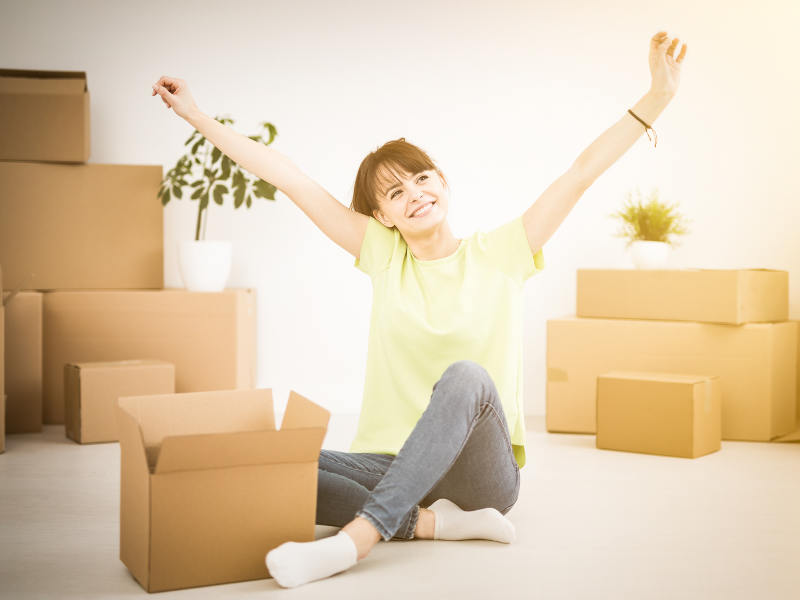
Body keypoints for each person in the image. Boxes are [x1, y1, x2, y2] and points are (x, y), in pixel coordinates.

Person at [152, 30, 687, 589]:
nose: (415, 194)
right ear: (382, 217)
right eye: (394, 193)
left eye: (422, 179)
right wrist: (196, 115)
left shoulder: (503, 252)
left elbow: (580, 172)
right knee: (272, 459)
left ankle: (354, 542)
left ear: (442, 184)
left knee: (466, 377)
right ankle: (431, 524)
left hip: (484, 479)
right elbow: (287, 177)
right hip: (390, 463)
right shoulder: (381, 256)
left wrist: (657, 97)